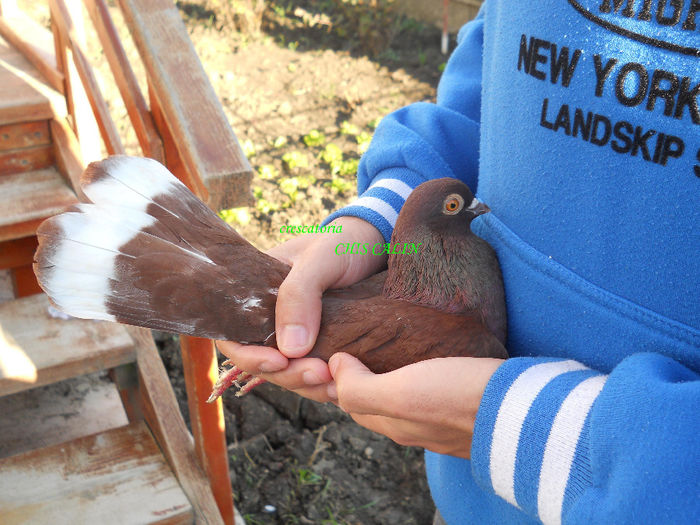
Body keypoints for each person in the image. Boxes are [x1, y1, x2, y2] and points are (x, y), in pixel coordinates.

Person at [218, 2, 699, 523]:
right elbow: (497, 76)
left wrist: (555, 435)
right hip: (469, 492)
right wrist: (376, 223)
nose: (470, 210)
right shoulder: (439, 261)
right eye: (455, 209)